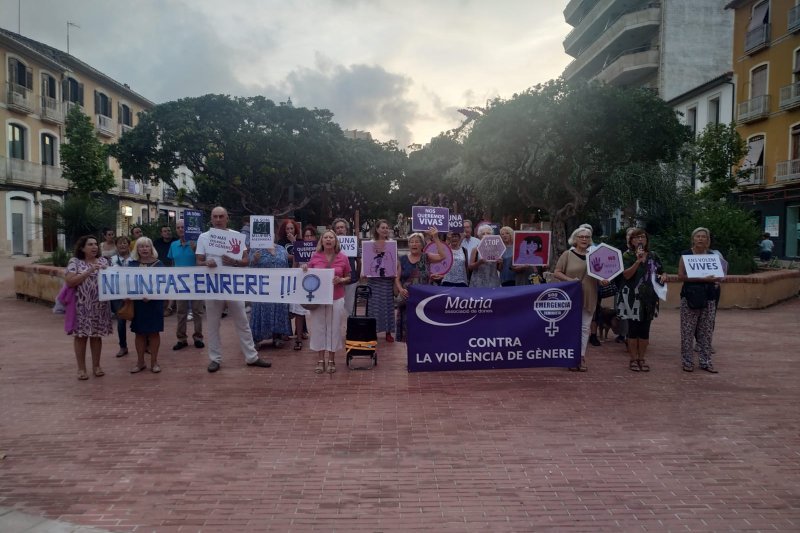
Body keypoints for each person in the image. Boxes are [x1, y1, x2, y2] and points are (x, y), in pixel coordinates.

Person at [195, 206, 271, 373]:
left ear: (227, 218)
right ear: (211, 219)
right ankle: (215, 359)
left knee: (242, 321)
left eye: (221, 216)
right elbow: (198, 261)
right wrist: (206, 263)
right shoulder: (203, 237)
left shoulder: (236, 236)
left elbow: (246, 260)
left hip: (233, 285)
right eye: (215, 216)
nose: (218, 219)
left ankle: (252, 357)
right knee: (213, 324)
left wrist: (234, 262)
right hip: (213, 286)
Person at [553, 225, 608, 372]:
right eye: (581, 237)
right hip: (571, 296)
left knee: (584, 328)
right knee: (571, 327)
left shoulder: (595, 255)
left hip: (589, 296)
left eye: (587, 237)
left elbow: (601, 275)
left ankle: (581, 357)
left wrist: (604, 280)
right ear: (575, 239)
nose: (584, 239)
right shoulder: (567, 254)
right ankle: (570, 357)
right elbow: (557, 272)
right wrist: (570, 280)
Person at [617, 228, 667, 372]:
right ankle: (633, 359)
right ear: (631, 241)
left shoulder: (653, 255)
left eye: (643, 237)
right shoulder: (626, 256)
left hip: (649, 297)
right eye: (637, 237)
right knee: (633, 329)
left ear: (646, 240)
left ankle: (642, 358)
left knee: (645, 330)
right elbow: (626, 275)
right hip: (632, 298)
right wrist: (638, 261)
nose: (640, 240)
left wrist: (663, 275)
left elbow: (661, 271)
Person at [65, 235, 113, 380]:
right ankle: (81, 369)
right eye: (90, 244)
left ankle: (96, 366)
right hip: (81, 306)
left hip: (100, 306)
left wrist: (108, 271)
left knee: (96, 336)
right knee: (81, 337)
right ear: (82, 248)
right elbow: (70, 282)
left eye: (96, 244)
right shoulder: (75, 262)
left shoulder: (103, 261)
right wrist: (89, 271)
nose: (94, 247)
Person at [303, 230, 352, 374]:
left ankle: (331, 359)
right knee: (318, 328)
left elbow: (349, 276)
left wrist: (341, 279)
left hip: (336, 297)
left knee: (334, 328)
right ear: (322, 241)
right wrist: (304, 268)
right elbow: (308, 274)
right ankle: (320, 360)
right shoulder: (315, 256)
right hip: (318, 298)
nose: (329, 239)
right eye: (326, 237)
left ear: (335, 241)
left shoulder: (343, 257)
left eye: (331, 237)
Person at [678, 227, 720, 373]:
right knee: (687, 331)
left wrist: (717, 280)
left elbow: (718, 275)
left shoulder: (712, 256)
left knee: (706, 331)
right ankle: (687, 361)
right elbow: (681, 276)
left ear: (708, 240)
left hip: (709, 297)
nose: (700, 239)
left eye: (703, 236)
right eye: (698, 236)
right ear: (693, 239)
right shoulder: (686, 255)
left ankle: (705, 361)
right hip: (690, 296)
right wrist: (702, 279)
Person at [394, 228, 446, 341]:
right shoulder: (402, 259)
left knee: (423, 330)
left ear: (422, 245)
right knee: (407, 332)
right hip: (407, 300)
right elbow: (397, 278)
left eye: (417, 242)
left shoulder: (426, 257)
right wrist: (401, 290)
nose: (414, 244)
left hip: (423, 300)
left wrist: (436, 238)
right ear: (408, 244)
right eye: (411, 242)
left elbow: (442, 256)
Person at [128, 237, 165, 374]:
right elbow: (126, 283)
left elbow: (164, 284)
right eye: (141, 246)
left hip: (154, 303)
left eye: (147, 246)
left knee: (154, 332)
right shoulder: (131, 265)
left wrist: (152, 295)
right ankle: (140, 362)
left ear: (151, 248)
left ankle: (154, 362)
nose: (144, 249)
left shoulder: (159, 264)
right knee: (139, 333)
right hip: (138, 304)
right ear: (137, 249)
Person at [168, 220, 205, 351]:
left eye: (183, 227)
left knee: (197, 311)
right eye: (178, 227)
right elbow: (173, 263)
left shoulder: (197, 244)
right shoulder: (173, 245)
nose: (180, 229)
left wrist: (195, 250)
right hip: (180, 283)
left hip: (196, 282)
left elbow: (203, 261)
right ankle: (181, 338)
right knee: (181, 312)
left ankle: (198, 337)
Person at [248, 239, 291, 349]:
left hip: (278, 287)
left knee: (279, 309)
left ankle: (278, 336)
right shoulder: (255, 249)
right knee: (260, 310)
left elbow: (286, 266)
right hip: (262, 288)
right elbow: (250, 267)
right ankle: (256, 339)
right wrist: (254, 260)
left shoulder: (281, 249)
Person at [365, 219, 396, 342]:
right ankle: (373, 331)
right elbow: (366, 260)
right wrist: (364, 272)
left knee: (388, 306)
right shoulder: (369, 244)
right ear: (377, 229)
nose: (385, 230)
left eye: (387, 228)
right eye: (383, 227)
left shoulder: (392, 243)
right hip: (374, 281)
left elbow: (395, 260)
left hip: (387, 281)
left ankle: (388, 332)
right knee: (373, 307)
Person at [288, 225, 317, 350]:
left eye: (311, 236)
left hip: (316, 283)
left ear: (315, 237)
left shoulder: (320, 250)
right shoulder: (298, 249)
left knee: (317, 312)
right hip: (301, 282)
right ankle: (298, 339)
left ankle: (319, 338)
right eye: (306, 236)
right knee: (299, 311)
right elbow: (294, 265)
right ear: (303, 237)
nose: (309, 238)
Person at [110, 236, 134, 357]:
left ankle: (145, 345)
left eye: (125, 243)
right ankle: (123, 346)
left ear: (129, 245)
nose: (122, 245)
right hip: (118, 294)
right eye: (120, 243)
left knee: (139, 320)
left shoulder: (135, 258)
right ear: (116, 246)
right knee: (120, 322)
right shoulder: (112, 260)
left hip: (134, 293)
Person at [332, 218, 360, 315]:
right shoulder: (330, 243)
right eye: (338, 228)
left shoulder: (352, 242)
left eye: (342, 227)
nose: (340, 229)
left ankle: (349, 324)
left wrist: (357, 275)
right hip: (335, 280)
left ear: (346, 229)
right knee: (335, 308)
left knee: (349, 308)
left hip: (351, 280)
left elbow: (358, 260)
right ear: (334, 230)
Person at [153, 225, 176, 316]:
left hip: (172, 267)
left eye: (169, 230)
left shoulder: (175, 242)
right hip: (159, 268)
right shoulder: (156, 242)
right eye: (165, 231)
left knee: (171, 287)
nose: (167, 232)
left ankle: (169, 308)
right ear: (161, 233)